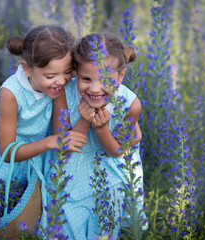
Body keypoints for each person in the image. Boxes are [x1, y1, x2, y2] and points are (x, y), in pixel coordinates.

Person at [0, 25, 87, 231]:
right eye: (50, 76)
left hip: (39, 156)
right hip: (10, 160)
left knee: (34, 216)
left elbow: (62, 132)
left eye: (68, 72)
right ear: (27, 68)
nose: (61, 81)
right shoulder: (11, 93)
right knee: (3, 215)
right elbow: (7, 152)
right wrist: (51, 142)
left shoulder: (57, 86)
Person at [47, 32, 146, 239]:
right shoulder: (64, 94)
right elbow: (63, 144)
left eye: (105, 81)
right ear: (75, 72)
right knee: (67, 221)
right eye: (85, 79)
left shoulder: (130, 104)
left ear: (121, 76)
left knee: (106, 223)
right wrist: (84, 120)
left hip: (112, 171)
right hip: (74, 166)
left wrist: (101, 129)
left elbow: (117, 151)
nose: (94, 88)